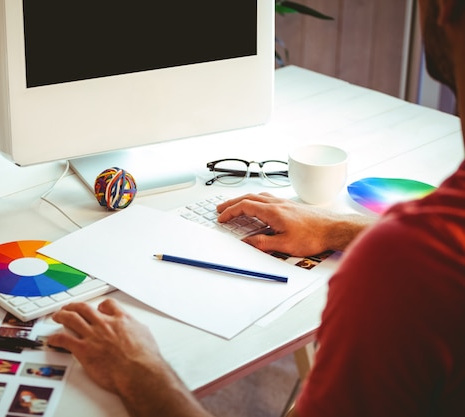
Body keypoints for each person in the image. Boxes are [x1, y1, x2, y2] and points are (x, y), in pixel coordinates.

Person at [47, 1, 465, 416]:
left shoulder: (406, 270)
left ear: (442, 9)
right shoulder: (426, 252)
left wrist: (139, 372)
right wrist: (339, 228)